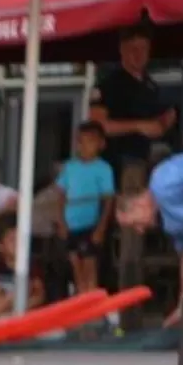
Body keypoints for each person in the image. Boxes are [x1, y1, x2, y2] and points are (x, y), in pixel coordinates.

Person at [90, 28, 174, 179]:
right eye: (133, 48)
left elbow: (158, 121)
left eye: (143, 49)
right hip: (117, 163)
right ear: (122, 49)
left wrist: (165, 122)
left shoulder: (151, 85)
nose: (139, 54)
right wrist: (139, 126)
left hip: (148, 160)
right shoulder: (109, 84)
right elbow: (97, 125)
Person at [150, 148, 183, 327]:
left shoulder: (161, 182)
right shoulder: (170, 224)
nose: (140, 231)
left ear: (138, 204)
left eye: (135, 224)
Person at [59, 123, 115, 296]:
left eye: (90, 141)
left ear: (101, 144)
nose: (84, 146)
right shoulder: (70, 167)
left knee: (90, 263)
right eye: (80, 141)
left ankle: (92, 300)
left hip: (90, 223)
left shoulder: (103, 168)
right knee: (75, 262)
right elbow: (61, 195)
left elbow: (108, 200)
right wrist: (61, 222)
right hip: (71, 223)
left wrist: (101, 228)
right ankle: (80, 299)